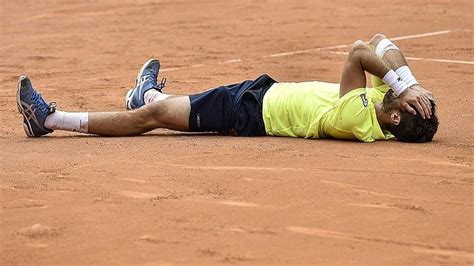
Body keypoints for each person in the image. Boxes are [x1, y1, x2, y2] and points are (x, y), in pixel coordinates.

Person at [17, 33, 438, 143]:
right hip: (258, 93)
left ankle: (50, 119)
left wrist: (404, 83)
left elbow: (362, 50)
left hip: (248, 114)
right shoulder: (382, 114)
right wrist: (411, 85)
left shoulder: (358, 116)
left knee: (152, 120)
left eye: (401, 98)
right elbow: (385, 40)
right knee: (164, 106)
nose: (396, 88)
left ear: (396, 114)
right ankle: (146, 91)